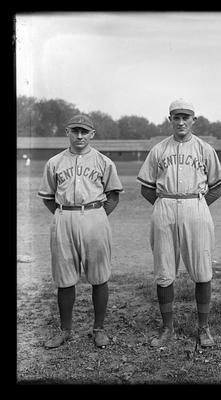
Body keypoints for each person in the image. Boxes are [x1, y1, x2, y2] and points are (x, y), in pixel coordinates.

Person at [137, 99, 221, 348]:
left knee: (202, 269)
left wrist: (196, 207)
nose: (181, 121)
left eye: (186, 117)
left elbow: (217, 188)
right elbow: (146, 188)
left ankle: (204, 328)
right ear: (170, 120)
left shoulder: (205, 149)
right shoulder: (158, 150)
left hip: (195, 205)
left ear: (193, 120)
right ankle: (167, 328)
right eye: (176, 117)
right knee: (164, 272)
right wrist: (163, 205)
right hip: (164, 205)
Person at [38, 114, 123, 349]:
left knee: (99, 276)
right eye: (75, 131)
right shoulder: (54, 162)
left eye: (84, 131)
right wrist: (64, 215)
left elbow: (113, 196)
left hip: (95, 215)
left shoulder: (104, 162)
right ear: (67, 132)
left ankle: (99, 329)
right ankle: (65, 330)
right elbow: (48, 198)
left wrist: (97, 217)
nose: (79, 135)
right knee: (64, 278)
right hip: (64, 215)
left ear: (92, 134)